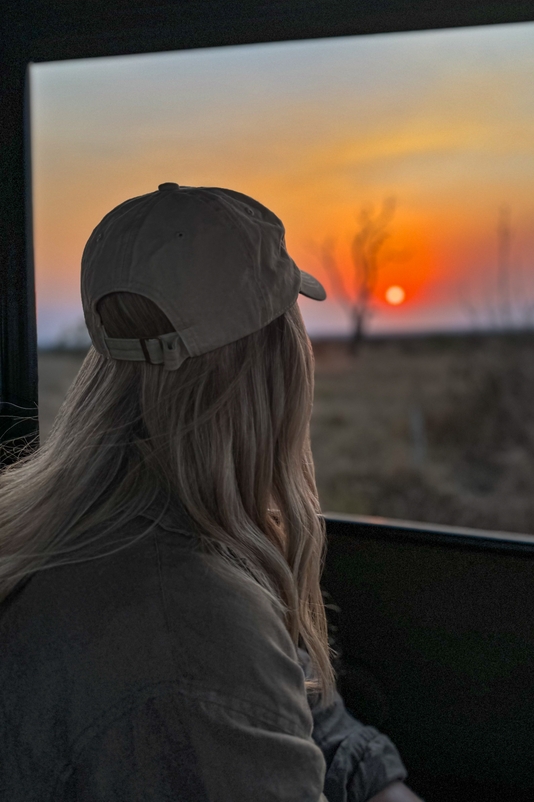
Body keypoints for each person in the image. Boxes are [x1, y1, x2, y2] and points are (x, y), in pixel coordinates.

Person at [0, 183, 424, 802]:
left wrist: (378, 779)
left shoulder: (77, 525)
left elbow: (310, 714)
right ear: (273, 367)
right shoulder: (195, 628)